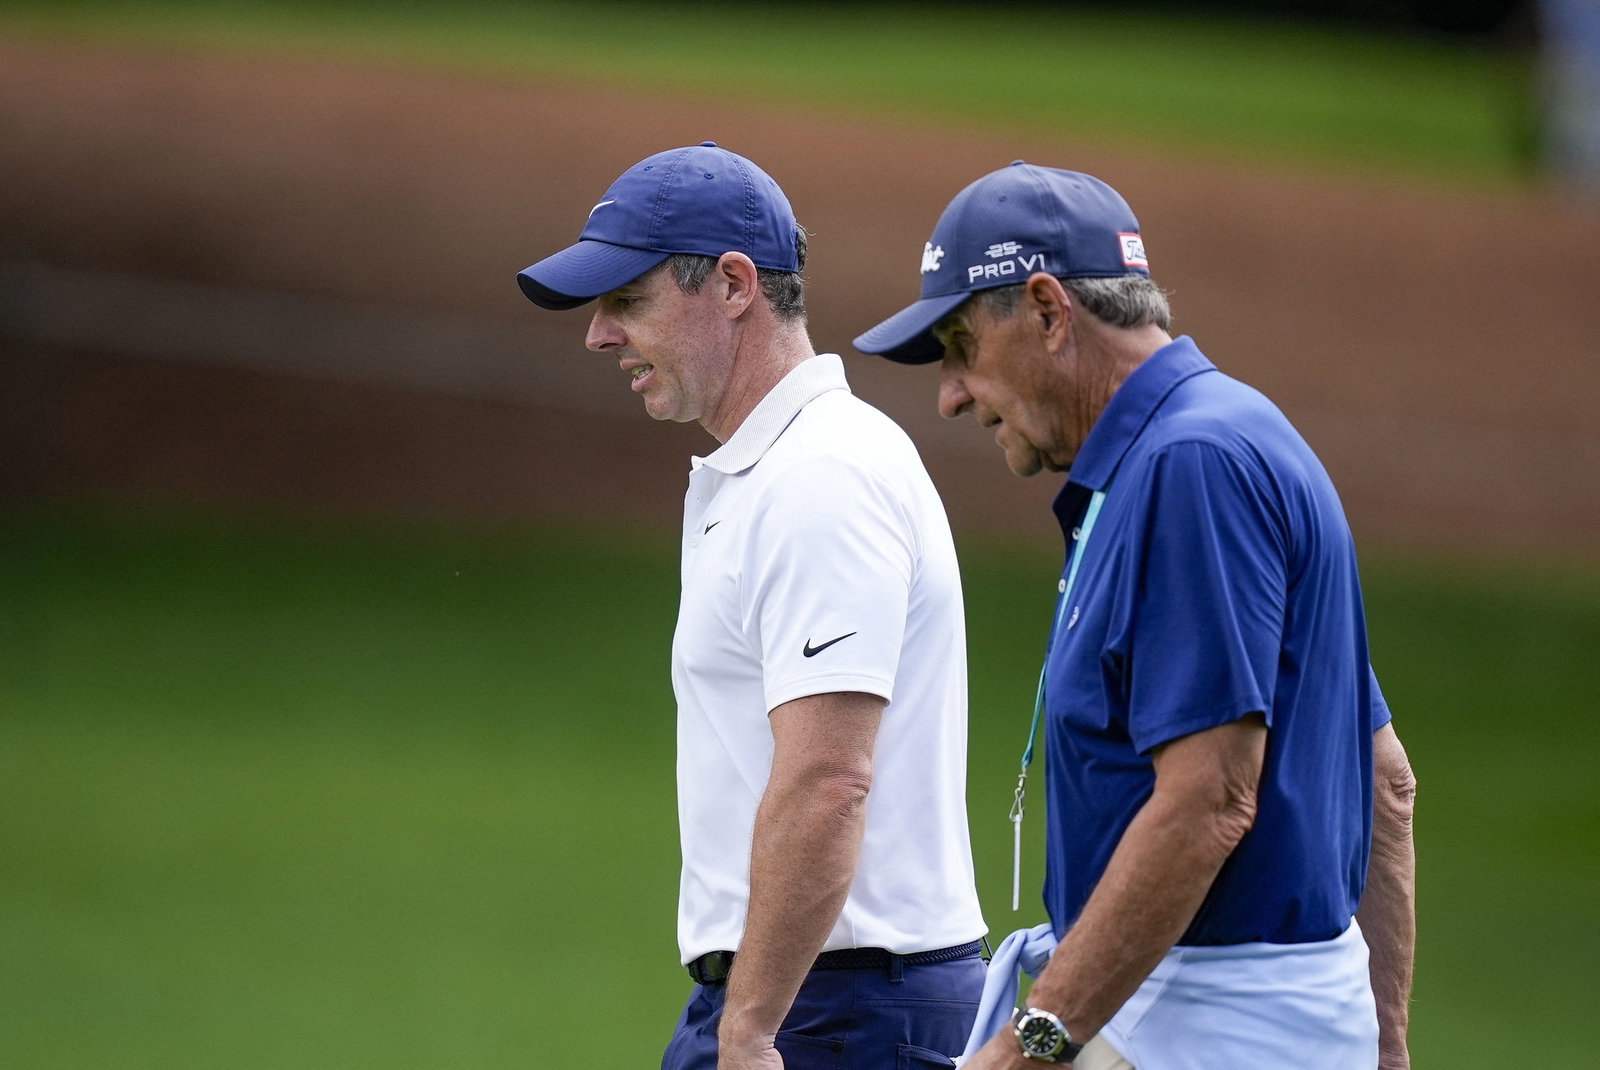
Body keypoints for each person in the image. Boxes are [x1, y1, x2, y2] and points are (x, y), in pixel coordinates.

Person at [854, 162, 1417, 1070]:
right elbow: (1385, 780)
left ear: (1046, 311)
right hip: (1244, 1027)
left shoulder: (1189, 466)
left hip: (1200, 1034)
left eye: (961, 345)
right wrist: (1384, 1048)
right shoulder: (1219, 437)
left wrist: (1031, 1045)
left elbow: (1209, 800)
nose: (951, 394)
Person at [515, 142, 987, 1070]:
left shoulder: (821, 479)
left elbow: (828, 779)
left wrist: (750, 1026)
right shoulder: (781, 466)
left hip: (832, 1013)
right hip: (822, 1000)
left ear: (735, 286)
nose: (599, 335)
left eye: (628, 302)